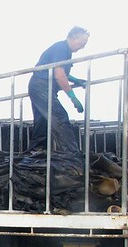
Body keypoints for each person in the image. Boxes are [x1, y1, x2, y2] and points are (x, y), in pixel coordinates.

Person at [28, 26, 90, 154]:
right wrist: (73, 97)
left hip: (39, 86)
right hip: (41, 86)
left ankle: (35, 153)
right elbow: (59, 75)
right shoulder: (61, 48)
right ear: (74, 37)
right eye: (82, 43)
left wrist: (75, 80)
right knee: (60, 117)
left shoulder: (65, 51)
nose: (82, 47)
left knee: (42, 121)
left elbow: (61, 73)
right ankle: (71, 156)